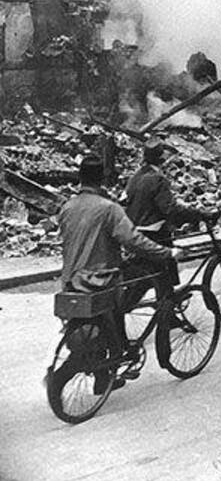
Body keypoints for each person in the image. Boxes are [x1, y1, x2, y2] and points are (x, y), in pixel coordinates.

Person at [58, 155, 181, 390]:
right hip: (100, 280)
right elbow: (133, 240)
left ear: (79, 177)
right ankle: (115, 360)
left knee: (90, 328)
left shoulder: (67, 207)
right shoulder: (109, 208)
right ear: (103, 178)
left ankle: (101, 378)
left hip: (70, 281)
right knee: (115, 316)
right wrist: (166, 252)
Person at [123, 141, 215, 307]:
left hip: (136, 231)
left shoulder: (135, 177)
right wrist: (199, 214)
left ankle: (167, 312)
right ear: (161, 159)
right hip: (155, 233)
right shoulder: (158, 179)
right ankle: (165, 312)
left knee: (153, 277)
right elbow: (170, 209)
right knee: (161, 273)